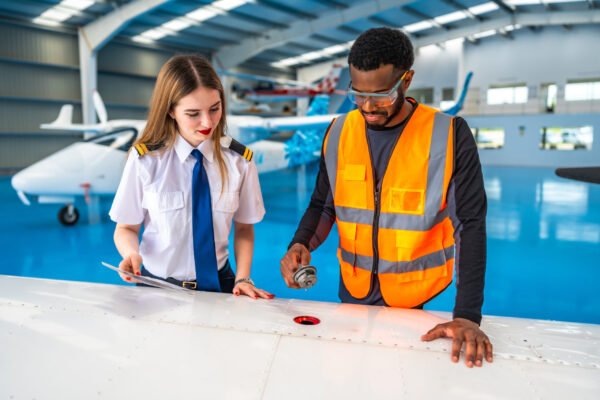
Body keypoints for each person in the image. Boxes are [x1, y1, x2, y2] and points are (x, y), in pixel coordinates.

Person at [279, 28, 492, 366]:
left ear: (407, 80)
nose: (367, 107)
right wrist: (300, 243)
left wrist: (466, 314)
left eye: (380, 95)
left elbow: (470, 224)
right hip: (353, 290)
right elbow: (323, 204)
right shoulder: (337, 133)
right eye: (357, 94)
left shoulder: (449, 136)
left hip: (417, 297)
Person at [109, 55, 272, 299]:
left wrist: (243, 277)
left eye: (215, 109)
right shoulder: (145, 160)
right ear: (171, 111)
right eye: (193, 113)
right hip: (157, 288)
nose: (207, 122)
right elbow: (125, 228)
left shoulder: (239, 161)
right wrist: (130, 254)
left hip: (222, 285)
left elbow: (244, 228)